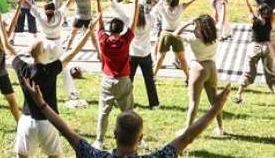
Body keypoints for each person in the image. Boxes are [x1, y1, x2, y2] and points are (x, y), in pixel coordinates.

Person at [20, 75, 231, 158]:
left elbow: (66, 132)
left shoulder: (95, 157)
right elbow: (187, 138)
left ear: (113, 134)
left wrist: (41, 103)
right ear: (140, 139)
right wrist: (215, 107)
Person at [0, 7, 99, 158]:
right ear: (43, 53)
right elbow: (74, 52)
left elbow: (6, 46)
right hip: (48, 122)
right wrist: (89, 33)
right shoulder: (50, 70)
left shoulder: (22, 68)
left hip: (26, 120)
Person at [92, 0, 140, 149]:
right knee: (128, 113)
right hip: (124, 80)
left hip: (107, 80)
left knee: (103, 113)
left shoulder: (103, 40)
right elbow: (134, 22)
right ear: (121, 30)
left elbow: (99, 22)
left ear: (109, 29)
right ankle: (134, 139)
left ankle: (99, 140)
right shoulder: (125, 40)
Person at [26, 0, 84, 106]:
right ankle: (72, 93)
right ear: (54, 9)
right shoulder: (59, 14)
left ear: (45, 9)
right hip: (57, 45)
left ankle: (38, 90)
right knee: (65, 69)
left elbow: (30, 6)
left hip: (45, 45)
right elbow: (68, 2)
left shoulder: (41, 16)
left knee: (42, 69)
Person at [173, 15, 223, 136]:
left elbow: (175, 34)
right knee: (215, 102)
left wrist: (189, 22)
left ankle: (187, 131)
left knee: (194, 102)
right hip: (212, 68)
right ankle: (220, 128)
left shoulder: (193, 38)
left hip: (198, 69)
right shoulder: (215, 36)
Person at [152, 0, 207, 80]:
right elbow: (192, 0)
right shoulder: (181, 7)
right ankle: (188, 77)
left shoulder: (163, 7)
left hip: (165, 34)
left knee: (160, 58)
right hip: (177, 34)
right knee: (182, 58)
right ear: (178, 2)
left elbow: (159, 2)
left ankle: (153, 76)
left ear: (168, 1)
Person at [234, 0, 275, 103]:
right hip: (267, 47)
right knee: (271, 76)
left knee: (248, 73)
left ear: (259, 12)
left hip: (254, 47)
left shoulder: (254, 20)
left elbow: (248, 8)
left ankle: (239, 95)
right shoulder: (271, 20)